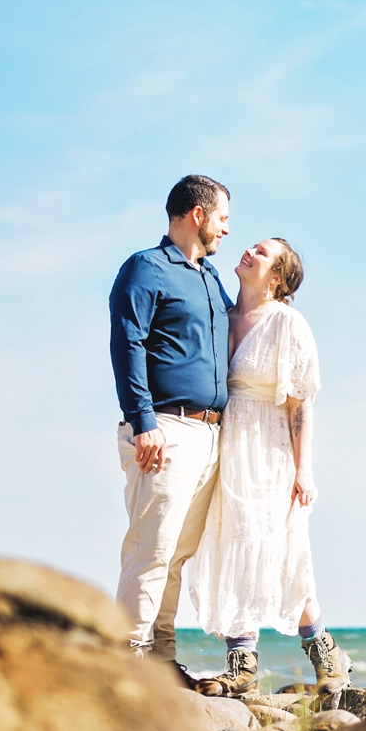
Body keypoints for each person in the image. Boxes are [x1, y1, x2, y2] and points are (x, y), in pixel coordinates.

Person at [188, 237, 350, 705]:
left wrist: (304, 470)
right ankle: (242, 666)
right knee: (230, 546)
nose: (248, 252)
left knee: (282, 551)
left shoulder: (287, 323)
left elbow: (300, 405)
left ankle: (328, 658)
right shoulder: (222, 315)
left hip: (270, 450)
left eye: (261, 252)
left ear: (277, 277)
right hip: (226, 446)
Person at [108, 174, 234, 678]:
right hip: (163, 428)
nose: (227, 230)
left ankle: (160, 659)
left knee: (177, 554)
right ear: (198, 215)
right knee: (152, 548)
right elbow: (128, 342)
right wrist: (143, 422)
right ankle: (128, 660)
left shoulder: (211, 279)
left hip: (210, 435)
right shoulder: (146, 268)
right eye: (223, 218)